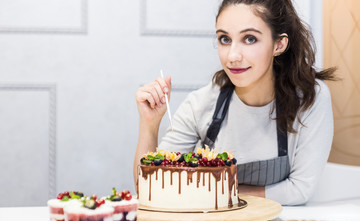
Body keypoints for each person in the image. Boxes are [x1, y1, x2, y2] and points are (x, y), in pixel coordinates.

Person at [134, 0, 337, 205]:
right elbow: (151, 189)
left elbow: (299, 190)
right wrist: (149, 125)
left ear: (279, 44)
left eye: (250, 39)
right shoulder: (201, 103)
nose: (232, 56)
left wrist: (207, 190)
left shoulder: (311, 99)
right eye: (224, 39)